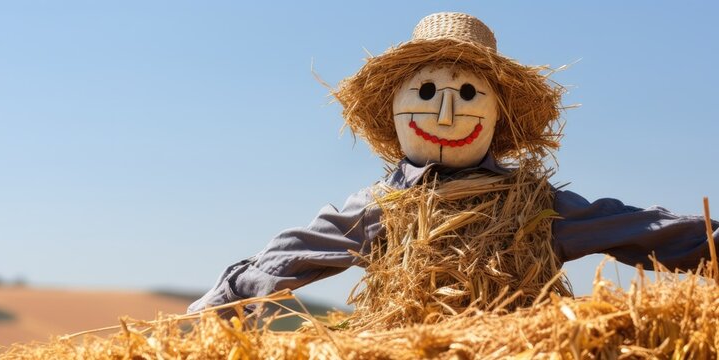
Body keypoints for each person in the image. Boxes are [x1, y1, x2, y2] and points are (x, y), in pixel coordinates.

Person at [188, 12, 718, 316]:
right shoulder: (380, 209)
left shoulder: (538, 204)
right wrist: (217, 306)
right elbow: (292, 254)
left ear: (497, 113)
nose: (445, 110)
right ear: (396, 105)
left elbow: (645, 229)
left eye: (467, 93)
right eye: (426, 91)